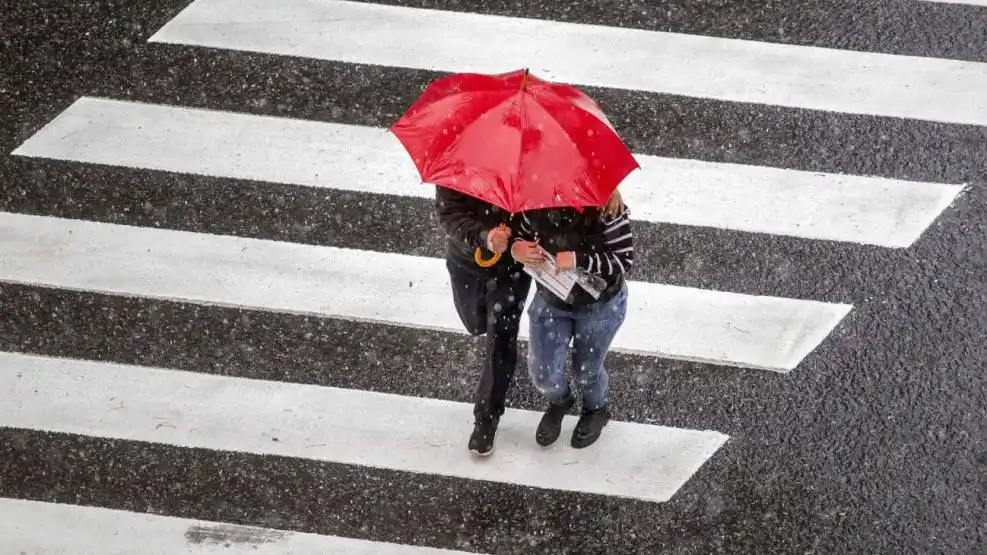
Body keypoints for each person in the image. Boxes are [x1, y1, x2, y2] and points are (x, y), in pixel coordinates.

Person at [435, 187, 625, 456]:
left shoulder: (540, 172)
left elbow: (622, 254)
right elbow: (448, 212)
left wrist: (611, 186)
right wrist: (486, 237)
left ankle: (487, 418)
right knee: (476, 324)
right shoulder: (460, 157)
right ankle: (559, 397)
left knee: (501, 337)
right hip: (467, 259)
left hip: (513, 270)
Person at [509, 202, 634, 449]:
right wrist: (518, 249)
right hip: (551, 299)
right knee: (542, 372)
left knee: (586, 371)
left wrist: (580, 259)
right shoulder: (533, 200)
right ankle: (560, 401)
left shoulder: (606, 205)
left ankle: (595, 409)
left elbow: (624, 259)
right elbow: (520, 234)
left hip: (599, 307)